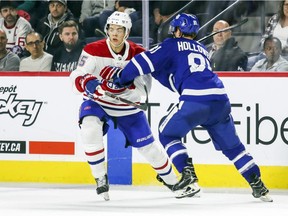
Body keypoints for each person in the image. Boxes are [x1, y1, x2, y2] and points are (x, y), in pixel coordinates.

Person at [103, 13, 273, 202]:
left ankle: (188, 175)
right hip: (220, 101)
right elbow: (177, 78)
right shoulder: (202, 49)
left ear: (176, 30)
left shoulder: (171, 45)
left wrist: (120, 78)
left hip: (196, 99)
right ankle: (258, 185)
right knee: (233, 147)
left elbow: (139, 62)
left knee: (167, 133)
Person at [69, 11, 198, 201]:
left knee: (150, 149)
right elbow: (76, 77)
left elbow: (142, 92)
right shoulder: (93, 49)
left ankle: (174, 182)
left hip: (126, 107)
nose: (114, 33)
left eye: (119, 30)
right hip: (98, 103)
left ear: (127, 32)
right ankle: (100, 177)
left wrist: (120, 91)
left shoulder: (139, 54)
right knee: (89, 126)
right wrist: (92, 85)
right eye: (111, 29)